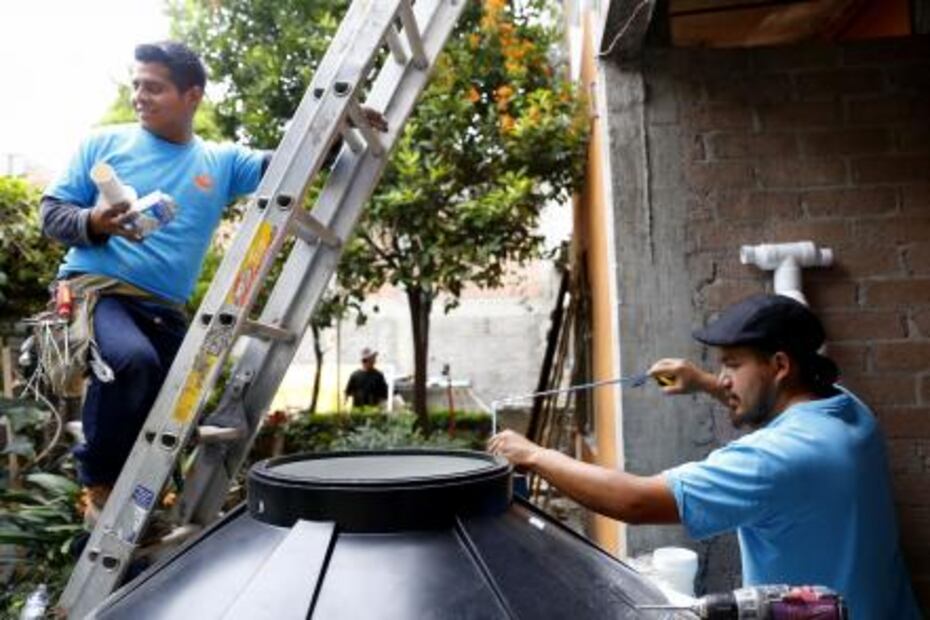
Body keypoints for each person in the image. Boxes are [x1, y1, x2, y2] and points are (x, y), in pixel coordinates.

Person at [40, 41, 386, 522]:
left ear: (192, 96)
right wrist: (96, 221)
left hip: (164, 309)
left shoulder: (219, 161)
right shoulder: (103, 145)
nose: (139, 96)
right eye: (137, 84)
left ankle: (144, 503)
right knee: (131, 362)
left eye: (153, 87)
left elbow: (288, 165)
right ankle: (98, 484)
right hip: (99, 291)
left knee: (176, 406)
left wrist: (342, 128)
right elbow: (51, 214)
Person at [489, 294, 920, 619]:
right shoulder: (845, 408)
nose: (723, 377)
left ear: (780, 365)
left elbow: (635, 501)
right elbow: (771, 402)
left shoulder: (775, 459)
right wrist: (703, 382)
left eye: (732, 365)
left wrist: (535, 454)